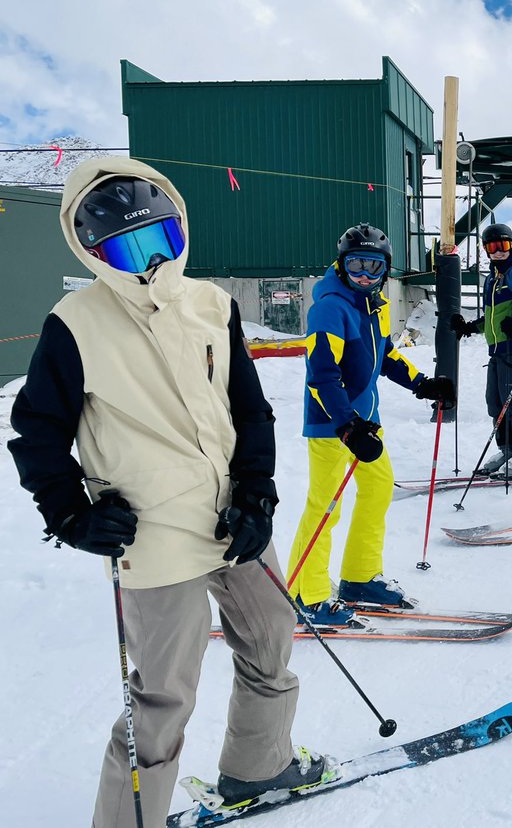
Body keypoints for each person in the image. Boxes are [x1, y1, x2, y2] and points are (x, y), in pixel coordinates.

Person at [8, 158, 330, 827]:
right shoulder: (76, 323)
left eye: (164, 241)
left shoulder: (213, 305)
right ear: (93, 252)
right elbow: (36, 431)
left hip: (230, 515)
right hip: (150, 534)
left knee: (272, 634)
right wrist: (71, 511)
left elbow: (249, 410)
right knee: (162, 696)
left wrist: (258, 492)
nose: (151, 262)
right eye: (130, 250)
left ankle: (258, 767)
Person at [288, 223, 455, 626]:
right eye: (356, 265)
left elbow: (385, 355)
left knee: (378, 489)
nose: (365, 275)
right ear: (342, 265)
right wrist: (346, 426)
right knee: (326, 506)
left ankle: (360, 578)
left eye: (374, 267)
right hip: (333, 422)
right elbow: (322, 376)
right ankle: (303, 594)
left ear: (386, 269)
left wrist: (422, 384)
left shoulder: (373, 305)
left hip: (363, 421)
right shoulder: (331, 307)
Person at [450, 222, 512, 478]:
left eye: (502, 245)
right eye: (491, 247)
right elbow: (492, 318)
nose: (497, 251)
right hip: (496, 350)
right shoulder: (492, 279)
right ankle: (510, 450)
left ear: (511, 245)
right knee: (494, 403)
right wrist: (470, 327)